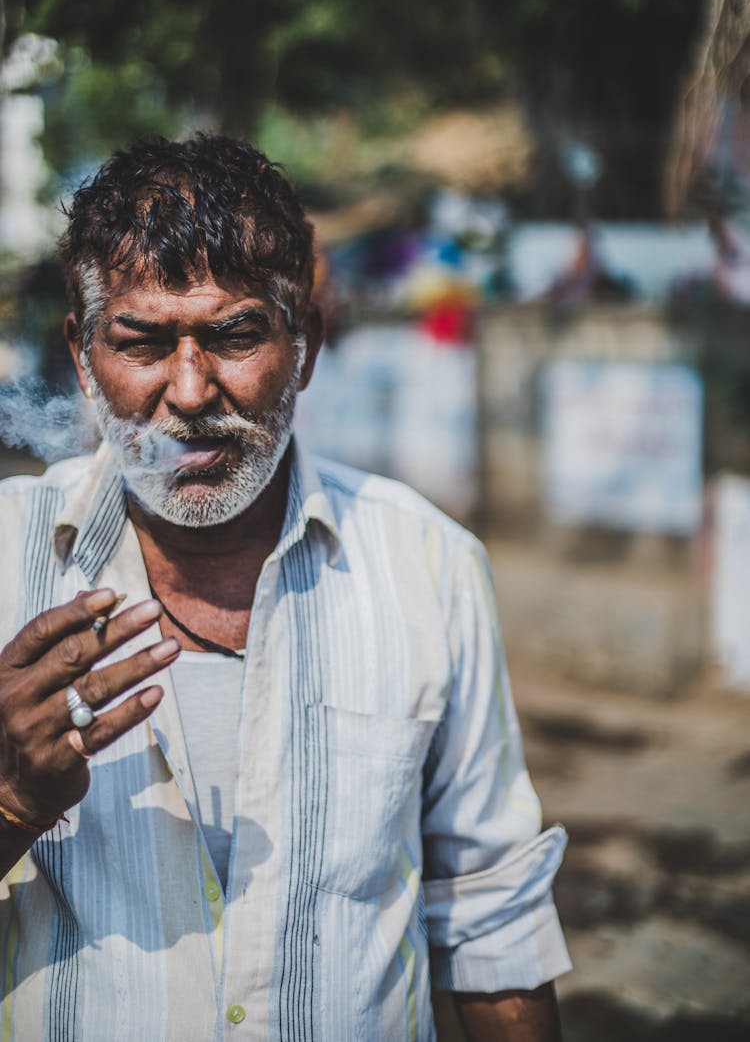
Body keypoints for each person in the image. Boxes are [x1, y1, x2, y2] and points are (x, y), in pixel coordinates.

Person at [0, 135, 570, 1041]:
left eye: (234, 335)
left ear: (303, 347)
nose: (190, 392)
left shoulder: (427, 563)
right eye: (143, 342)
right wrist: (10, 802)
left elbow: (490, 915)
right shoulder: (5, 558)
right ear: (81, 355)